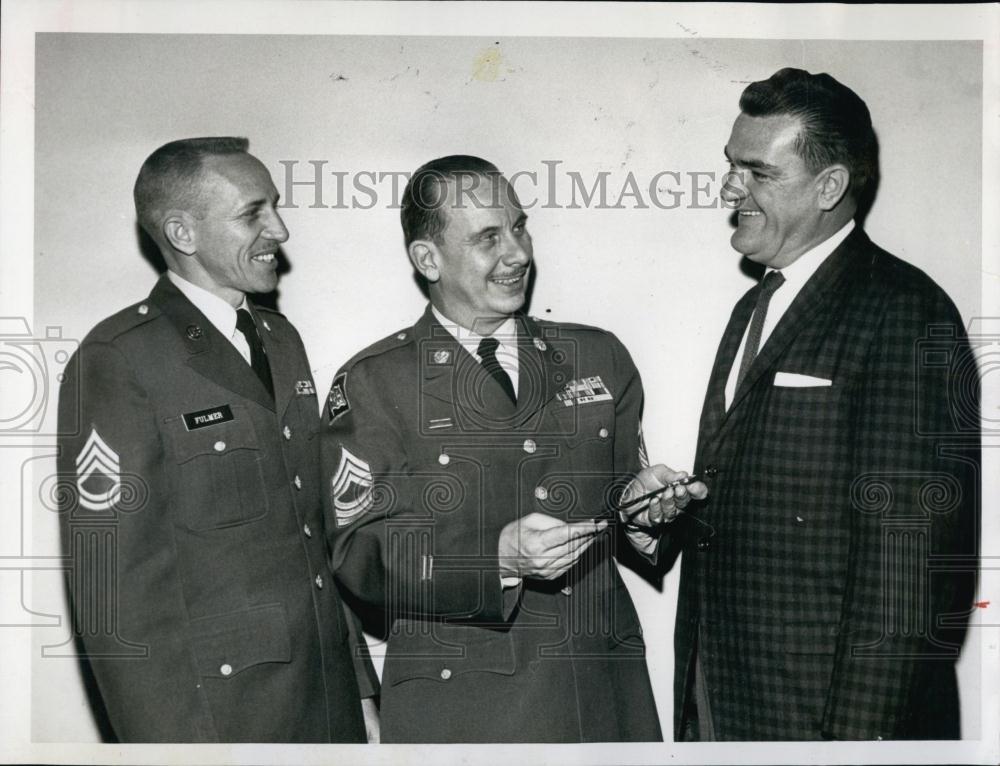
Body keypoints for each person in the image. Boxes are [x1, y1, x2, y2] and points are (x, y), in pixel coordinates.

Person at [321, 155, 705, 743]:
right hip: (467, 712)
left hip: (600, 698)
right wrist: (495, 560)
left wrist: (645, 514)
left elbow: (624, 503)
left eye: (520, 227)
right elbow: (358, 552)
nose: (519, 254)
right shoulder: (375, 383)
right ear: (428, 259)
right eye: (488, 238)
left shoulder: (598, 357)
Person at [668, 68, 979, 740]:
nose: (728, 189)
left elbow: (906, 577)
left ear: (830, 187)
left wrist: (853, 753)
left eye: (756, 172)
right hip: (723, 704)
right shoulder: (753, 307)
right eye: (729, 166)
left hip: (820, 723)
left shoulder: (903, 312)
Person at [56, 137, 378, 742]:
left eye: (275, 207)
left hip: (326, 701)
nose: (279, 230)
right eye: (251, 212)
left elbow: (312, 542)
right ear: (183, 232)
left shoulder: (280, 340)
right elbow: (114, 597)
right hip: (223, 719)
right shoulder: (121, 359)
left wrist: (359, 689)